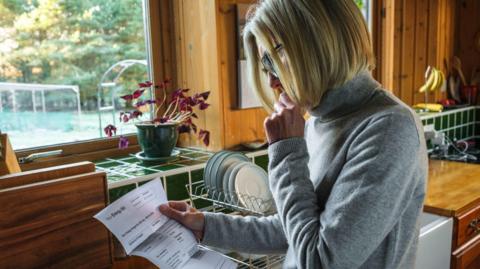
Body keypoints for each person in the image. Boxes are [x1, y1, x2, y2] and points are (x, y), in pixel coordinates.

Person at [159, 1, 427, 268]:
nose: (272, 83)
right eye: (266, 68)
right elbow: (294, 228)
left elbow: (320, 261)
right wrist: (205, 225)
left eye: (274, 63)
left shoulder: (389, 128)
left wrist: (287, 151)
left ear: (318, 43)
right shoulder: (314, 123)